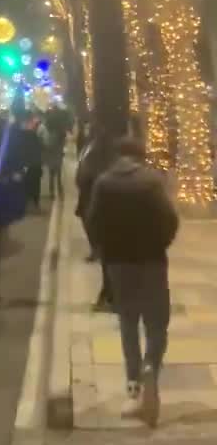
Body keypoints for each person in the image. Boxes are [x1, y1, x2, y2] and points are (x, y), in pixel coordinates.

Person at [87, 136, 178, 426]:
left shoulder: (104, 182)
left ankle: (133, 385)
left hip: (118, 263)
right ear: (140, 156)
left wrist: (107, 250)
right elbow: (170, 219)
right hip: (151, 260)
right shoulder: (152, 181)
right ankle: (151, 364)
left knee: (128, 322)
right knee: (156, 321)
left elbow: (94, 221)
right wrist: (159, 243)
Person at [76, 126, 115, 307]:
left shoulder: (98, 157)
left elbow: (86, 176)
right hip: (97, 205)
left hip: (100, 208)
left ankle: (109, 297)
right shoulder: (93, 151)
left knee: (111, 259)